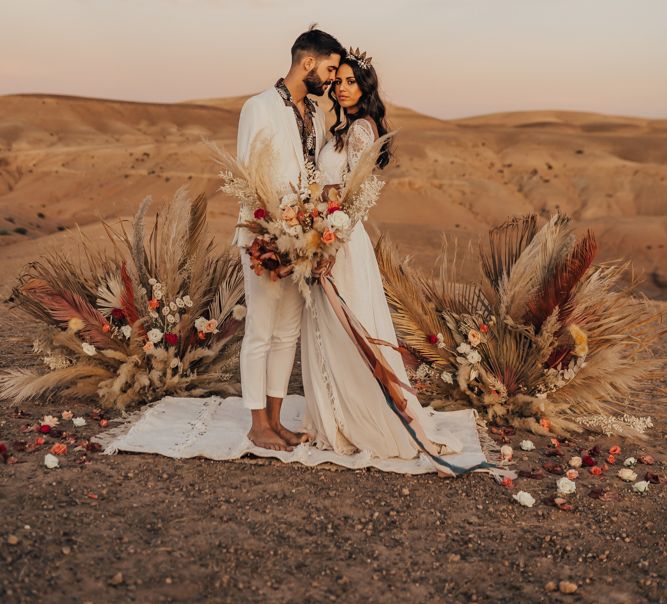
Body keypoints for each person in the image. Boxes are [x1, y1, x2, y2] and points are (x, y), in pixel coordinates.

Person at [300, 49, 466, 463]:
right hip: (326, 234)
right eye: (337, 80)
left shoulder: (361, 130)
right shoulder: (345, 127)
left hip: (342, 243)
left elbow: (355, 198)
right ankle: (334, 418)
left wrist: (331, 242)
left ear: (365, 88)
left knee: (346, 329)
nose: (340, 87)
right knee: (329, 330)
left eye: (350, 81)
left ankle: (358, 419)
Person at [236, 26, 344, 451]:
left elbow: (314, 175)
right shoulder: (258, 107)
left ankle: (276, 421)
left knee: (287, 335)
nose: (332, 78)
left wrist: (314, 229)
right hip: (264, 237)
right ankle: (256, 424)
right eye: (330, 69)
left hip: (305, 240)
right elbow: (248, 176)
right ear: (308, 63)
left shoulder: (315, 115)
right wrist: (264, 235)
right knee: (260, 332)